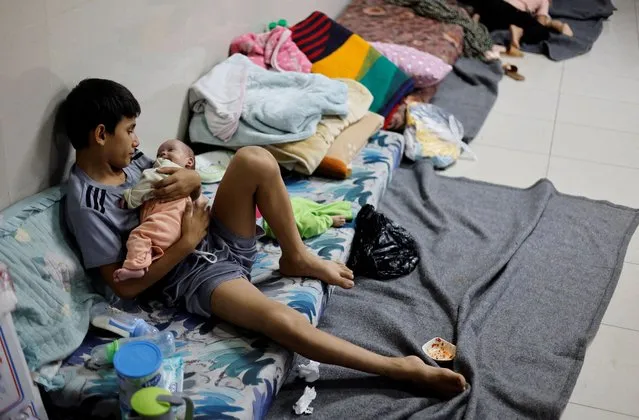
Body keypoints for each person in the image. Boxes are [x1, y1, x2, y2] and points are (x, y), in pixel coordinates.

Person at [63, 78, 466, 396]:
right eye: (130, 131)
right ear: (101, 134)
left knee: (254, 158)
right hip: (188, 273)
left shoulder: (129, 162)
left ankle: (297, 255)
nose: (137, 141)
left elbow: (176, 185)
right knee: (280, 320)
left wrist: (190, 179)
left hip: (209, 234)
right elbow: (123, 287)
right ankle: (398, 367)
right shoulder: (86, 202)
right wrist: (187, 242)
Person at [114, 139, 211, 282]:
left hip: (167, 222)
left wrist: (130, 198)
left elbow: (148, 181)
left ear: (189, 162)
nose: (163, 154)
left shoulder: (165, 168)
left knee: (140, 236)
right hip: (180, 230)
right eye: (160, 153)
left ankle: (136, 265)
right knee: (150, 242)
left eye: (170, 150)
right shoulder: (186, 183)